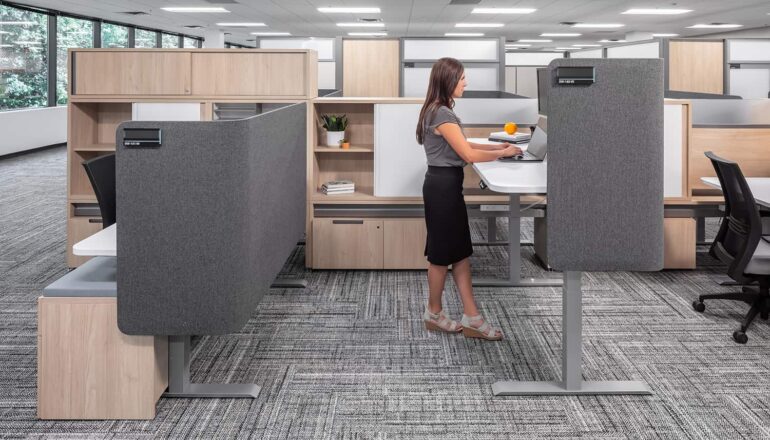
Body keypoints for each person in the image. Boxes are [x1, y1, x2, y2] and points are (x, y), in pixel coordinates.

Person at [415, 57, 522, 341]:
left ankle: (471, 317)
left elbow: (462, 144)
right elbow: (468, 154)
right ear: (448, 80)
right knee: (440, 256)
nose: (466, 83)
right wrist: (503, 153)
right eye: (462, 78)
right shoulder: (442, 113)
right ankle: (434, 313)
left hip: (443, 185)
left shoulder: (436, 109)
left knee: (460, 253)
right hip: (443, 189)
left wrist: (495, 147)